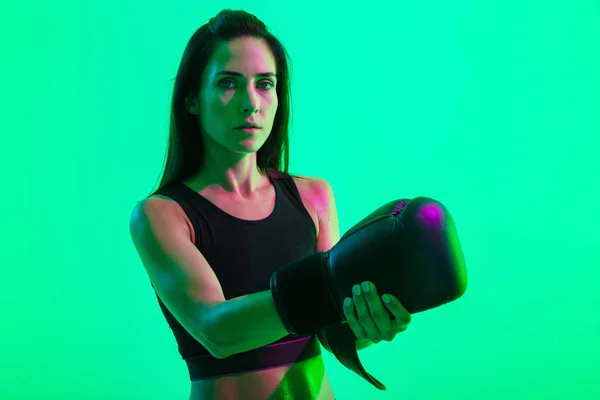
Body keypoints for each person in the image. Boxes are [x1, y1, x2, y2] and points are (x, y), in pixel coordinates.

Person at [129, 9, 412, 400]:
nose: (250, 103)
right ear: (192, 100)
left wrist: (368, 323)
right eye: (228, 83)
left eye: (265, 84)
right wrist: (329, 283)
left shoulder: (313, 196)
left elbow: (331, 332)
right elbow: (218, 331)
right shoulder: (161, 214)